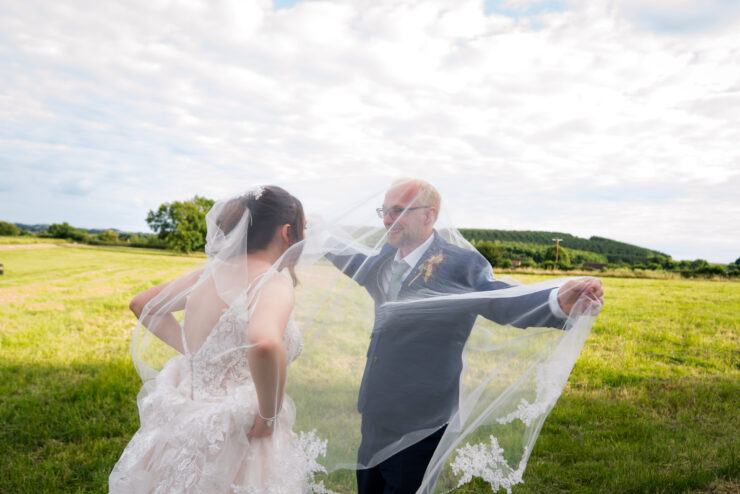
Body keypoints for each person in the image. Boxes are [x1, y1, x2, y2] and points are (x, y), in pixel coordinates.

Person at [324, 178, 604, 494]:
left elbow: (499, 300)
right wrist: (315, 243)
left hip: (420, 418)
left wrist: (556, 302)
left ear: (428, 216)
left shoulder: (459, 264)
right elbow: (356, 263)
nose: (388, 220)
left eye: (398, 211)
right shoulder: (384, 259)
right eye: (384, 211)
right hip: (375, 409)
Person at [109, 186, 328, 494]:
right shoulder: (273, 281)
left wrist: (197, 353)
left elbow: (142, 304)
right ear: (287, 231)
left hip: (186, 415)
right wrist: (268, 414)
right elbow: (264, 342)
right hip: (239, 430)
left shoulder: (209, 274)